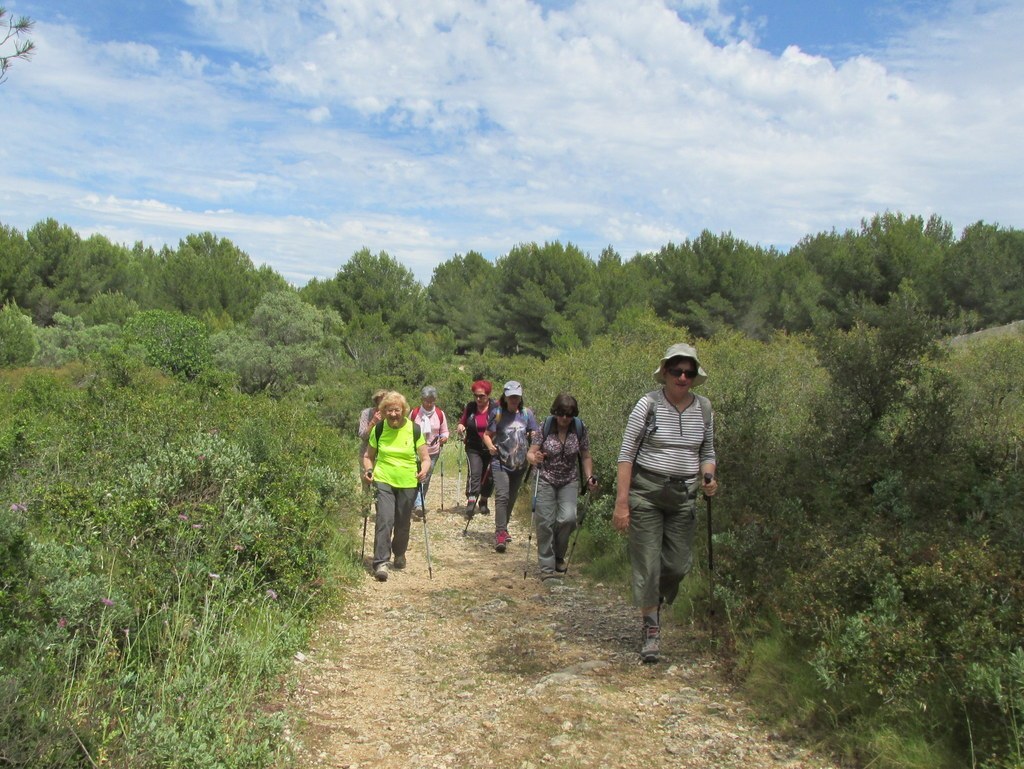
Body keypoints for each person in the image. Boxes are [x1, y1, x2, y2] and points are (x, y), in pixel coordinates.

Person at [613, 343, 718, 663]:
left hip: (684, 496)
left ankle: (653, 600)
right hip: (646, 493)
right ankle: (651, 629)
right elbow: (627, 453)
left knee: (678, 564)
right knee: (647, 562)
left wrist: (709, 476)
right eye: (677, 371)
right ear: (666, 373)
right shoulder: (648, 405)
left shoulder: (704, 408)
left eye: (689, 372)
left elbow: (708, 452)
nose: (683, 377)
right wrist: (621, 503)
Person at [527, 393, 598, 580]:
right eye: (561, 414)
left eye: (569, 414)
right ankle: (547, 568)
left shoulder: (579, 428)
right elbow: (531, 453)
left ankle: (559, 555)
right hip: (544, 478)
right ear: (555, 412)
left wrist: (590, 476)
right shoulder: (546, 426)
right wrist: (536, 458)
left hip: (569, 480)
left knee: (568, 518)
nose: (565, 418)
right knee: (544, 522)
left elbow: (585, 455)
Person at [363, 391, 431, 582]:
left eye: (397, 410)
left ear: (404, 411)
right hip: (383, 479)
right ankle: (381, 562)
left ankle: (399, 553)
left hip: (408, 482)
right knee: (385, 519)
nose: (393, 414)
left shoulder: (414, 429)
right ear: (383, 411)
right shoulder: (378, 429)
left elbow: (425, 459)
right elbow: (368, 457)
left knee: (402, 523)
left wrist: (424, 470)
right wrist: (369, 471)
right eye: (389, 410)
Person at [483, 381, 539, 553]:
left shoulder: (527, 414)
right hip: (500, 461)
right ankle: (500, 533)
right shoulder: (497, 413)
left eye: (516, 396)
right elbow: (487, 434)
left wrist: (533, 436)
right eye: (511, 396)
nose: (514, 399)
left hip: (520, 464)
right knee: (502, 496)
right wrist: (490, 446)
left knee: (512, 497)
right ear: (505, 397)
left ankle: (504, 526)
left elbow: (534, 433)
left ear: (520, 396)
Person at [455, 379, 496, 515]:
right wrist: (461, 426)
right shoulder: (471, 407)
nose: (478, 398)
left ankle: (483, 500)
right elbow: (463, 420)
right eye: (476, 395)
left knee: (489, 476)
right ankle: (471, 500)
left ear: (488, 395)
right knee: (475, 472)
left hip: (491, 447)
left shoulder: (495, 408)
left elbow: (500, 424)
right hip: (473, 446)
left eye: (481, 396)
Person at [409, 386, 449, 514]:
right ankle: (414, 502)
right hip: (415, 451)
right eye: (426, 400)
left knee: (425, 477)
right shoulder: (414, 413)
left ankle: (419, 503)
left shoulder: (439, 414)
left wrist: (444, 437)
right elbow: (407, 430)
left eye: (431, 401)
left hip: (432, 451)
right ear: (422, 399)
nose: (429, 403)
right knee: (414, 476)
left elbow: (445, 431)